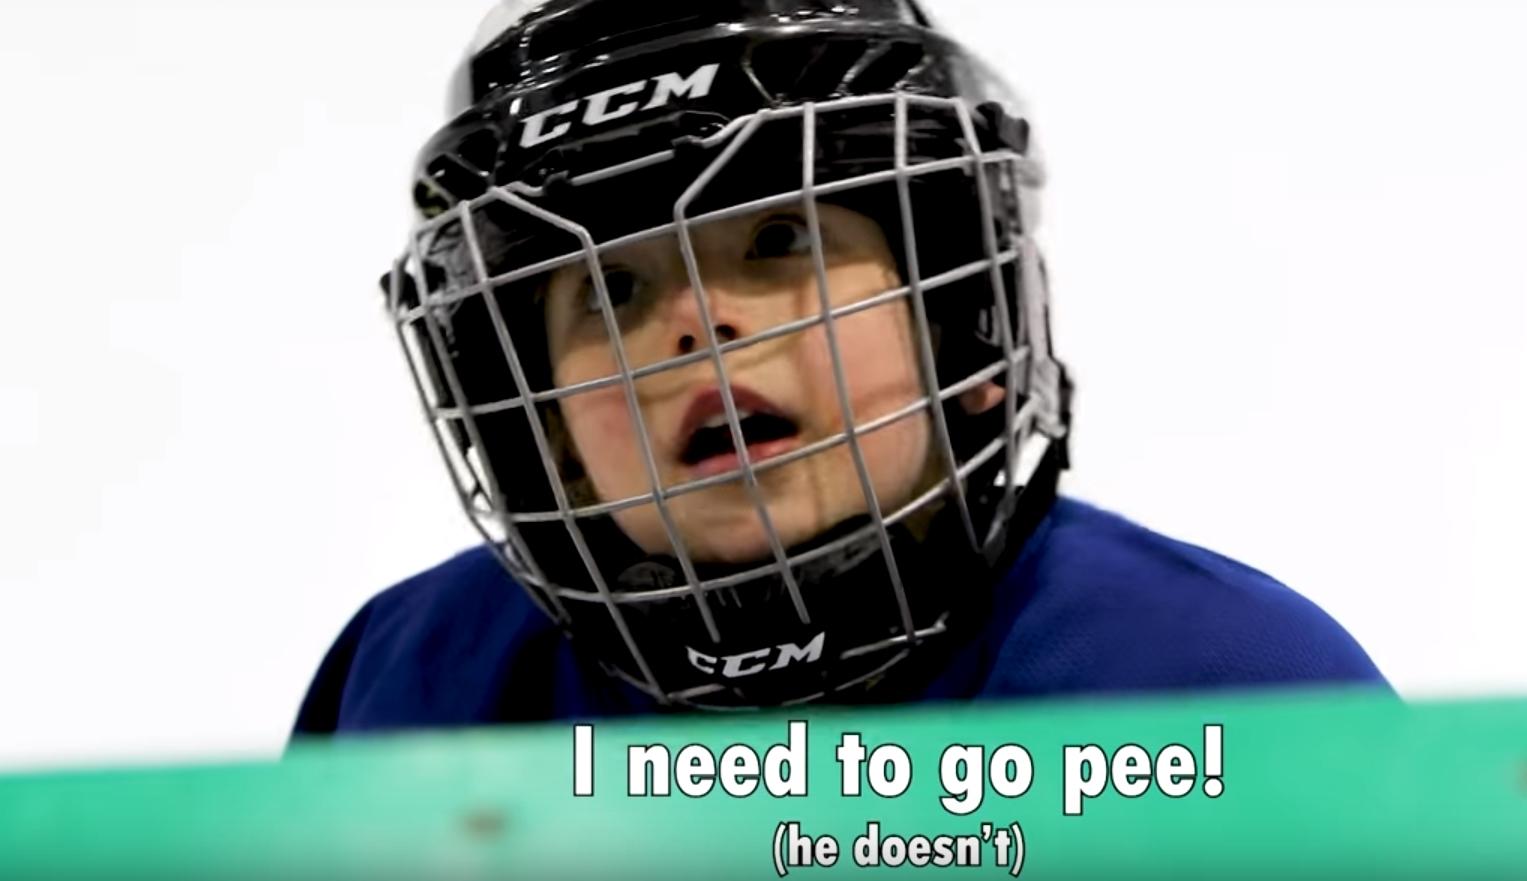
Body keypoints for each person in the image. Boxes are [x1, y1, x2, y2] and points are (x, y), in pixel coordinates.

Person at [294, 0, 1385, 734]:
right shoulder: (414, 682)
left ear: (957, 317)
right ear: (550, 440)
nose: (698, 324)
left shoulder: (1216, 682)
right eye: (608, 290)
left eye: (782, 240)